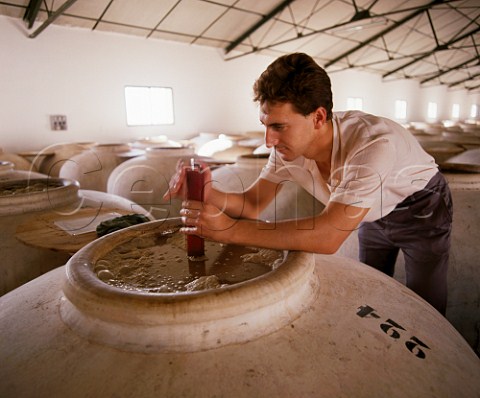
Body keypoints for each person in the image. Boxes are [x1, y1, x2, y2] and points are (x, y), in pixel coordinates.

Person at [164, 52, 453, 315]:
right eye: (265, 125)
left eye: (279, 126)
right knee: (370, 285)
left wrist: (230, 231)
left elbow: (328, 236)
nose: (268, 141)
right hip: (367, 210)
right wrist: (209, 192)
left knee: (425, 300)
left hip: (420, 207)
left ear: (317, 117)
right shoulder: (287, 150)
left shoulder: (372, 144)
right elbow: (253, 204)